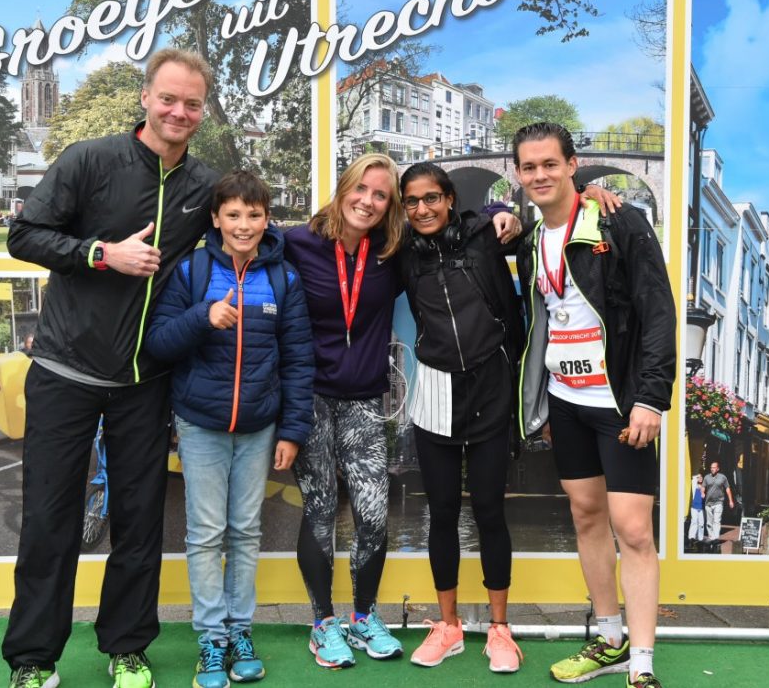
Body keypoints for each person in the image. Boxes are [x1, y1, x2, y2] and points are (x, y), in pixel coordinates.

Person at [3, 48, 217, 688]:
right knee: (49, 522)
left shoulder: (204, 184)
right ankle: (34, 661)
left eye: (192, 103)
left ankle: (127, 647)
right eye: (169, 98)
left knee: (138, 523)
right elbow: (25, 235)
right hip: (66, 375)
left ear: (202, 111)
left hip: (142, 386)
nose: (179, 111)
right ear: (146, 97)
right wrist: (102, 253)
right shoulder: (89, 159)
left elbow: (252, 227)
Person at [282, 154, 523, 669]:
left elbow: (489, 220)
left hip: (371, 396)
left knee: (373, 516)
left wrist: (507, 208)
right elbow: (243, 234)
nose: (369, 201)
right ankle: (324, 622)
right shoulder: (301, 243)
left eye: (382, 195)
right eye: (362, 190)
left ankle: (365, 616)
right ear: (344, 189)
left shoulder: (390, 253)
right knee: (323, 511)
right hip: (313, 398)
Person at [515, 122, 676, 688]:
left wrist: (652, 398)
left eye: (549, 164)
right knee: (585, 516)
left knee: (632, 529)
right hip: (566, 399)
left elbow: (658, 310)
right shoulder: (531, 237)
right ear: (517, 174)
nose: (539, 175)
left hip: (618, 400)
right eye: (528, 167)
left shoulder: (620, 221)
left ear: (572, 164)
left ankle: (643, 663)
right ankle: (608, 637)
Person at [144, 171, 315, 687]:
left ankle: (240, 630)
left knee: (245, 533)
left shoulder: (283, 277)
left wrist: (292, 431)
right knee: (205, 534)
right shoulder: (192, 270)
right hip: (201, 426)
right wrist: (203, 316)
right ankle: (211, 639)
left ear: (268, 219)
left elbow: (299, 360)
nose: (244, 225)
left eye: (254, 215)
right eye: (234, 215)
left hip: (261, 427)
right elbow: (157, 342)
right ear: (216, 218)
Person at [395, 162, 525, 673]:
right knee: (442, 511)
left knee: (490, 508)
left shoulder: (482, 234)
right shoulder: (402, 252)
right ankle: (447, 626)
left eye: (432, 198)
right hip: (435, 386)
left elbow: (533, 227)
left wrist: (508, 214)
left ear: (449, 199)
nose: (423, 209)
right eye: (413, 202)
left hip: (491, 384)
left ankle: (499, 629)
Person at [702, 461, 734, 543]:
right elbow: (703, 487)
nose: (712, 469)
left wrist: (731, 501)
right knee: (709, 522)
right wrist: (702, 493)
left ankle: (715, 538)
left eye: (714, 467)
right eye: (711, 467)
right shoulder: (706, 477)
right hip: (708, 503)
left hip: (719, 502)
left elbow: (727, 489)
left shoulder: (722, 477)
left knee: (717, 520)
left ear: (718, 469)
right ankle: (711, 536)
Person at [687, 474, 705, 547]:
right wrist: (697, 476)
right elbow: (693, 478)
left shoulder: (704, 487)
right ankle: (691, 537)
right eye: (699, 477)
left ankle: (700, 538)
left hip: (701, 508)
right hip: (694, 507)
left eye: (701, 477)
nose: (700, 478)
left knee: (701, 524)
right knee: (694, 522)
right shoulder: (694, 485)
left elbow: (704, 496)